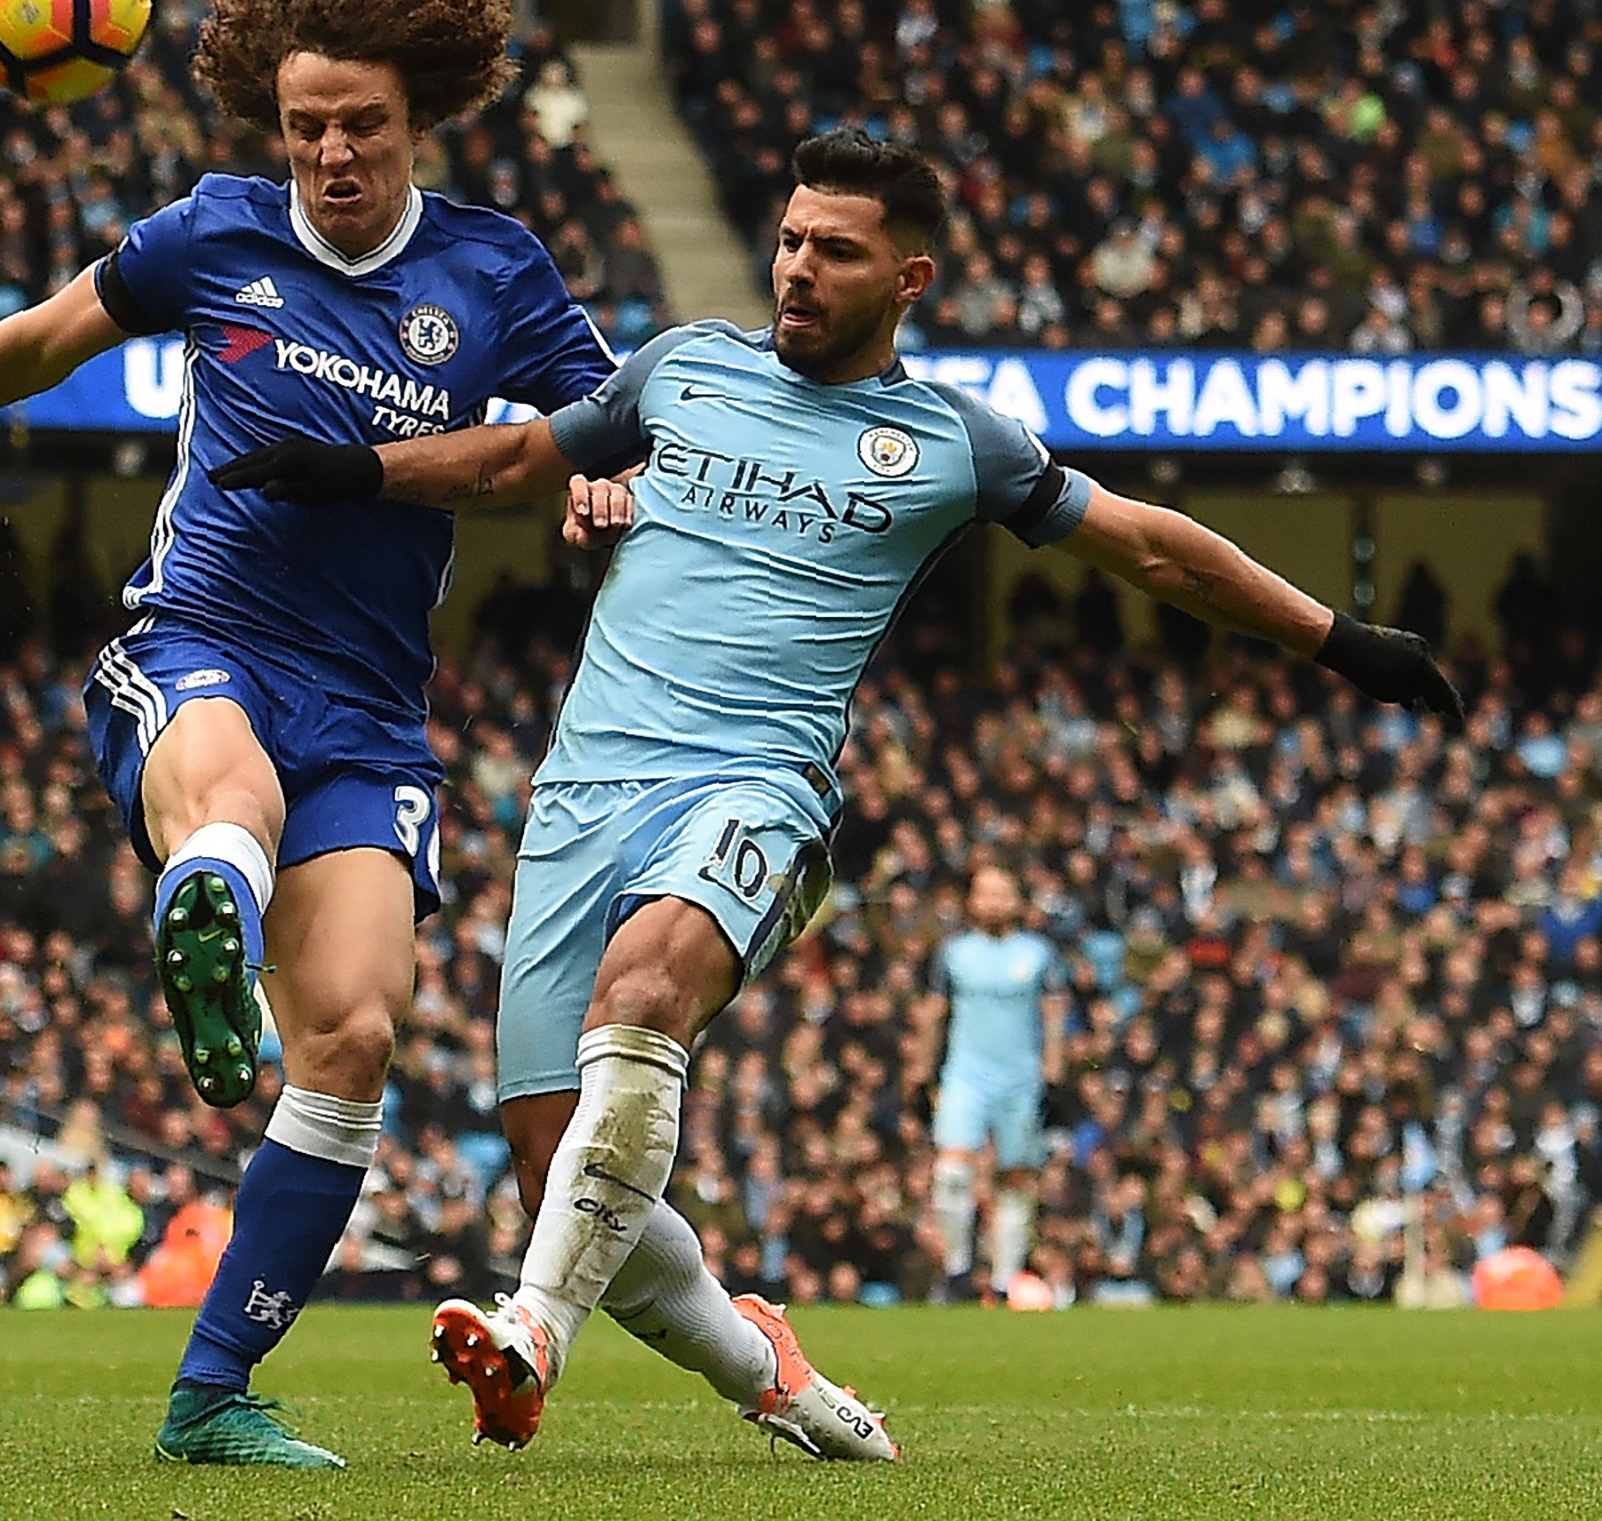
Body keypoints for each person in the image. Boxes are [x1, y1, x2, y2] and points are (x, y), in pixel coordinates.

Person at [211, 128, 1464, 1455]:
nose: (798, 269)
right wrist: (360, 471)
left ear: (907, 279)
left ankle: (533, 1332)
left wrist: (1343, 641)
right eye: (792, 240)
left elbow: (1157, 555)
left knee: (644, 996)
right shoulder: (680, 369)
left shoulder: (951, 443)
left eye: (836, 252)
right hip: (582, 794)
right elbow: (514, 462)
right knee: (553, 1160)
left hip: (757, 788)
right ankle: (769, 1372)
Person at [0, 0, 619, 1467]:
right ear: (275, 123)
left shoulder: (490, 268)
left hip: (373, 708)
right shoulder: (212, 235)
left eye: (361, 127)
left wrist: (606, 477)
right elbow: (48, 339)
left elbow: (600, 417)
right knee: (232, 797)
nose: (330, 152)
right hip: (199, 641)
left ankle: (209, 1397)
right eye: (306, 125)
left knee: (356, 1035)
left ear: (418, 123)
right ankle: (209, 898)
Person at [925, 866, 1065, 1302]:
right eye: (984, 894)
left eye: (1001, 893)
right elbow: (933, 1013)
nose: (992, 903)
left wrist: (1054, 1072)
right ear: (972, 901)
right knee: (951, 1172)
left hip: (1020, 1081)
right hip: (965, 1075)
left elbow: (1053, 1014)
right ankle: (957, 1270)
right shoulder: (953, 954)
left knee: (1015, 1180)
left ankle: (1004, 1280)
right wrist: (923, 1072)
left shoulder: (1038, 955)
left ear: (1017, 901)